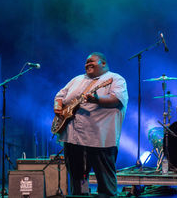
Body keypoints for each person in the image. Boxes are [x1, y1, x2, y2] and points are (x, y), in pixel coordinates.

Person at [54, 52, 128, 197]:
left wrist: (97, 99)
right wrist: (58, 108)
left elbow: (117, 99)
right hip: (73, 138)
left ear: (104, 63)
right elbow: (60, 95)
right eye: (86, 62)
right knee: (78, 178)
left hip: (100, 139)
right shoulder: (77, 79)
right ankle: (81, 194)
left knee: (105, 180)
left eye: (91, 61)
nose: (87, 64)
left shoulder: (115, 79)